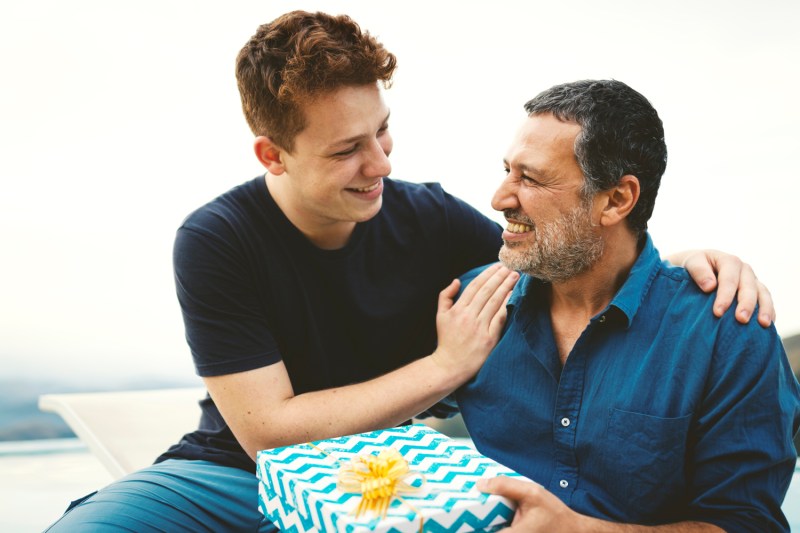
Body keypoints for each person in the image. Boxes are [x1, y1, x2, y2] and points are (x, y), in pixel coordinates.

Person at [45, 12, 776, 532]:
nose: (381, 165)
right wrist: (442, 366)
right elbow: (266, 430)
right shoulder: (217, 239)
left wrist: (681, 264)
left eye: (383, 131)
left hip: (386, 484)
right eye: (346, 151)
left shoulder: (429, 219)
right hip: (239, 473)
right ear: (273, 155)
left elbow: (565, 244)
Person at [459, 79, 800, 531]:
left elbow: (746, 523)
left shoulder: (729, 332)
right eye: (507, 170)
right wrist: (443, 367)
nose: (500, 198)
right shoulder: (475, 304)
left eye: (531, 178)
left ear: (617, 200)